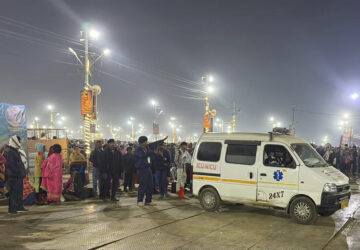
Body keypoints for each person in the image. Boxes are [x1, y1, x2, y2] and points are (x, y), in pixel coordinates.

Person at [135, 136, 168, 206]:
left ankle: (148, 200)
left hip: (148, 168)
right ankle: (139, 201)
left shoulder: (147, 147)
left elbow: (154, 144)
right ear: (142, 142)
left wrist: (162, 140)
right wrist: (152, 152)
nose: (147, 142)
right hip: (141, 169)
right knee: (143, 185)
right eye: (145, 141)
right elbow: (142, 156)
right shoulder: (138, 149)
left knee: (150, 185)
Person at [4, 135, 27, 214]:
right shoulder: (10, 151)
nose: (20, 142)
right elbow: (10, 165)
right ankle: (12, 209)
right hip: (14, 176)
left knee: (19, 192)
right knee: (13, 193)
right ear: (15, 141)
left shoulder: (15, 150)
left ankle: (19, 207)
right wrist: (18, 172)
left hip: (18, 176)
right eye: (19, 141)